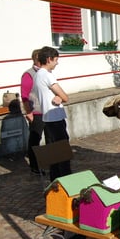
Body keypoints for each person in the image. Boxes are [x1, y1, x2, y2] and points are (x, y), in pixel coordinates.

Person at [31, 46, 71, 180]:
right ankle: (67, 181)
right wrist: (61, 97)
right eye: (55, 60)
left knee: (54, 155)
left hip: (48, 118)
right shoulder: (47, 75)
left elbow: (53, 95)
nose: (57, 63)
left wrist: (58, 97)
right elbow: (65, 96)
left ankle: (55, 181)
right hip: (55, 119)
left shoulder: (37, 75)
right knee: (63, 154)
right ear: (49, 59)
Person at [20, 49, 44, 174]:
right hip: (36, 112)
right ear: (36, 60)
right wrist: (28, 112)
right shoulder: (29, 74)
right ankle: (35, 166)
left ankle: (51, 163)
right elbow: (24, 95)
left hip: (48, 111)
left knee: (51, 139)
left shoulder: (46, 72)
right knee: (35, 139)